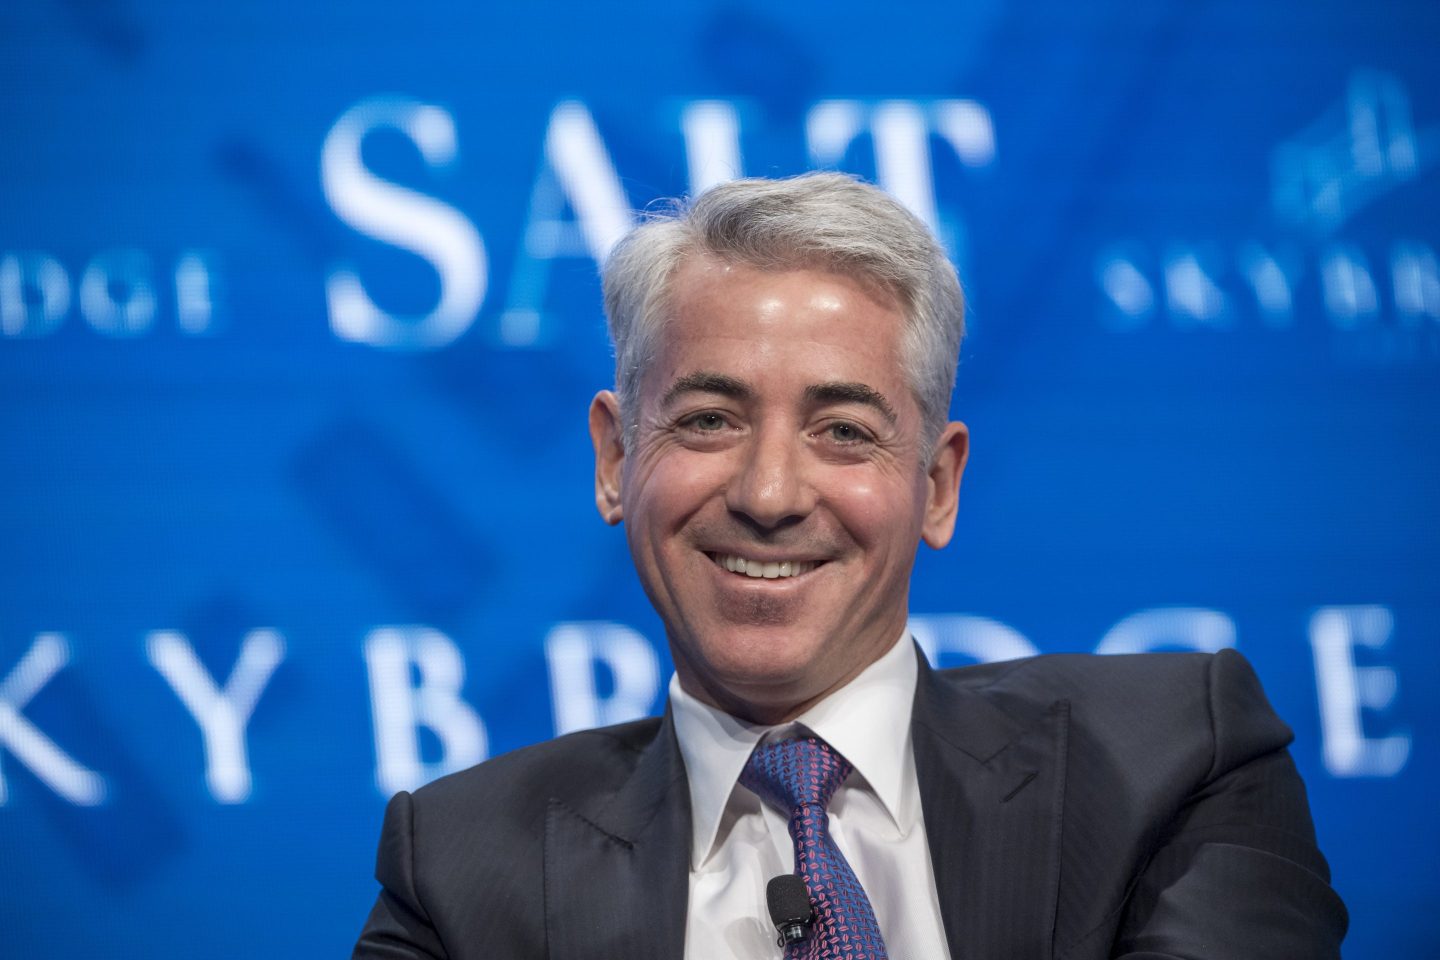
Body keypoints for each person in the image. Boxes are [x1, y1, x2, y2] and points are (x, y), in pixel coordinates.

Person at [352, 173, 1347, 959]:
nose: (770, 494)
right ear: (616, 461)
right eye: (708, 420)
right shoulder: (458, 868)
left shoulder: (1175, 761)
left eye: (842, 430)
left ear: (939, 485)